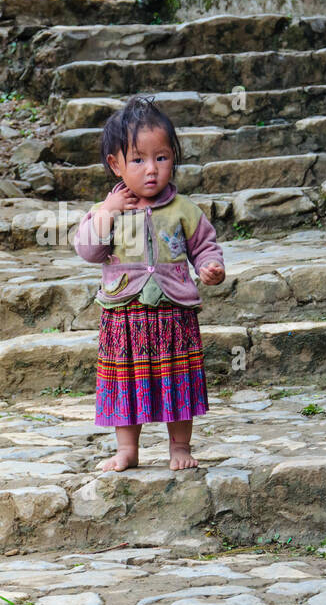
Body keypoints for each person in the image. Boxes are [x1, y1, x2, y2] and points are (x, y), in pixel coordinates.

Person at [73, 96, 226, 473]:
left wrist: (210, 266)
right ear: (116, 164)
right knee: (125, 383)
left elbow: (204, 245)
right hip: (124, 317)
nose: (152, 169)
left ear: (173, 157)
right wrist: (107, 212)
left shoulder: (184, 210)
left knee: (178, 382)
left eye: (161, 157)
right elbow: (89, 251)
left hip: (173, 317)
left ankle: (180, 446)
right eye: (138, 160)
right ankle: (127, 449)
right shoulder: (106, 210)